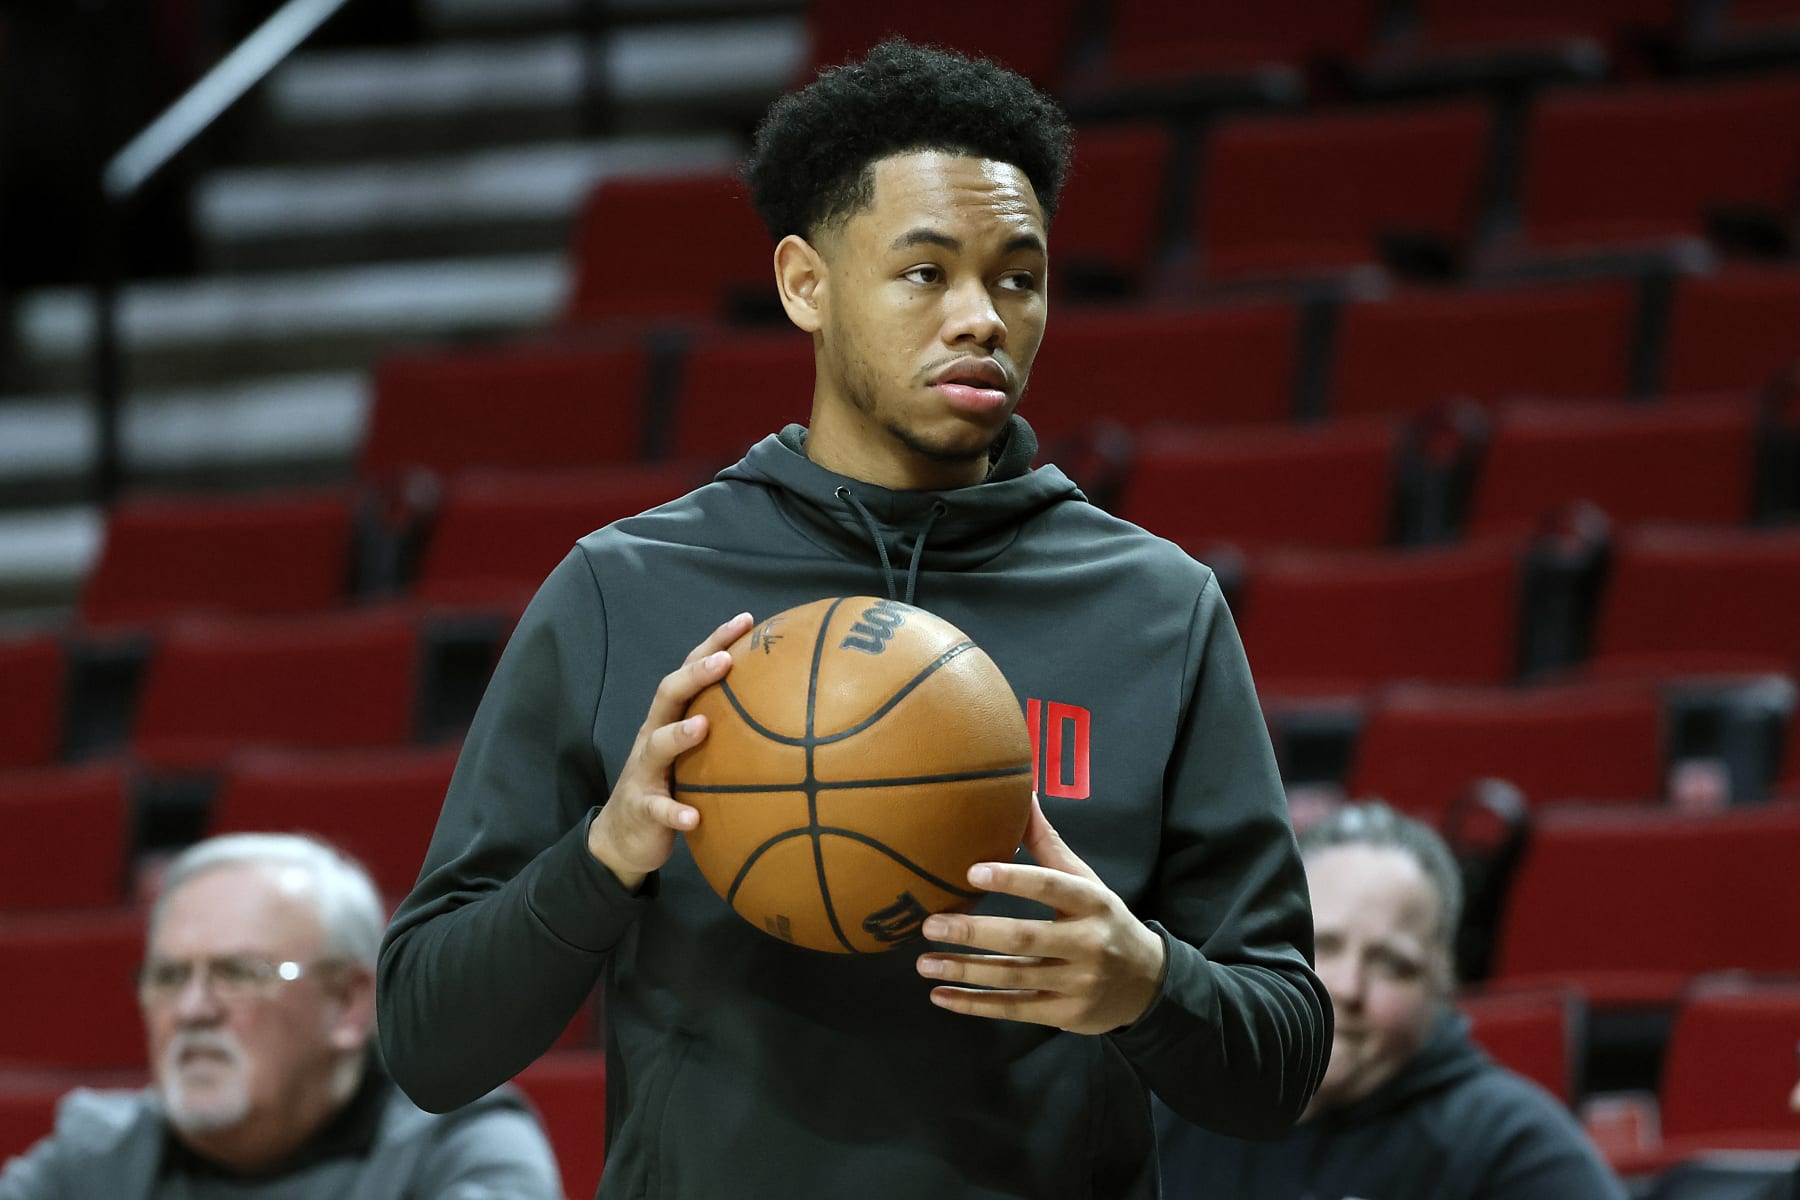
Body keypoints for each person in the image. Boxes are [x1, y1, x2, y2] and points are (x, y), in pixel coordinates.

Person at [377, 39, 1330, 1199]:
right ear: (804, 284)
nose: (982, 317)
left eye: (1019, 277)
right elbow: (428, 1041)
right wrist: (607, 855)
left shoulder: (1154, 609)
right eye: (926, 273)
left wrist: (1146, 983)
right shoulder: (624, 591)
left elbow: (1282, 1062)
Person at [0, 833, 561, 1199]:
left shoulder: (459, 1142)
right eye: (169, 977)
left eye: (240, 974)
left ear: (347, 1003)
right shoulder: (98, 1153)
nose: (193, 1009)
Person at [1158, 802, 1626, 1199]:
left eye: (1391, 964)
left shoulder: (1515, 1148)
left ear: (1442, 987)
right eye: (1323, 946)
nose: (1347, 987)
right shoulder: (1169, 1110)